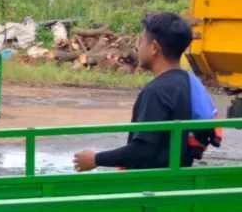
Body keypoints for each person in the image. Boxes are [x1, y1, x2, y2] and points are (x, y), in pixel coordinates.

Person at [73, 12, 196, 172]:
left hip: (150, 184)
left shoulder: (156, 91)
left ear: (154, 47)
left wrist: (96, 159)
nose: (139, 47)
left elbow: (144, 149)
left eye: (143, 41)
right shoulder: (188, 82)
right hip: (177, 177)